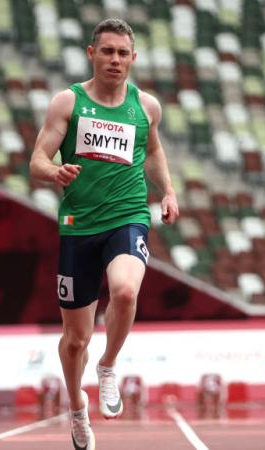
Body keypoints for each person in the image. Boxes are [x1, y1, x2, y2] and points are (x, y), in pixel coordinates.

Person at [29, 18, 179, 450]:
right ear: (91, 54)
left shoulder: (146, 106)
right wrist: (55, 170)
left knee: (126, 292)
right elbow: (37, 159)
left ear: (134, 58)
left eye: (123, 53)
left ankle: (109, 366)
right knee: (75, 339)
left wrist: (167, 191)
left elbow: (152, 151)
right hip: (78, 226)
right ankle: (77, 409)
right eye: (107, 51)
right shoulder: (68, 102)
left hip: (128, 215)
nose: (115, 60)